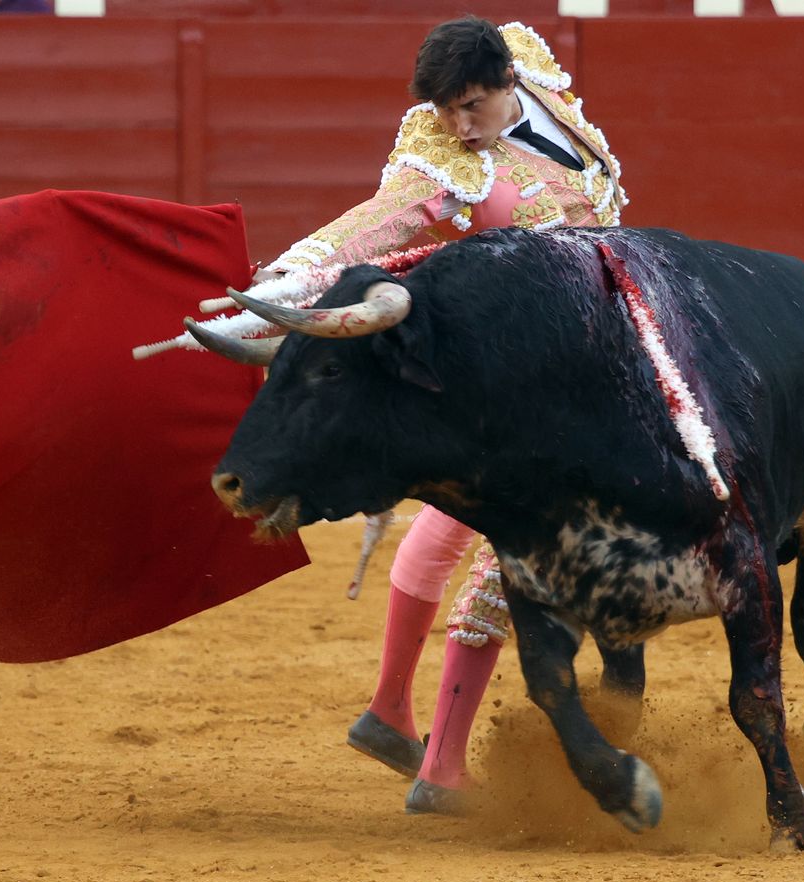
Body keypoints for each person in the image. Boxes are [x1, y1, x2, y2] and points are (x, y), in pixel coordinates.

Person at [253, 17, 627, 817]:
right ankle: (443, 771)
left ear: (509, 80)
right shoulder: (437, 151)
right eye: (446, 110)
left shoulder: (529, 59)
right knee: (515, 553)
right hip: (530, 372)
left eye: (473, 106)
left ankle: (390, 711)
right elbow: (375, 223)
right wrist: (290, 282)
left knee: (452, 520)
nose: (460, 124)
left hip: (578, 347)